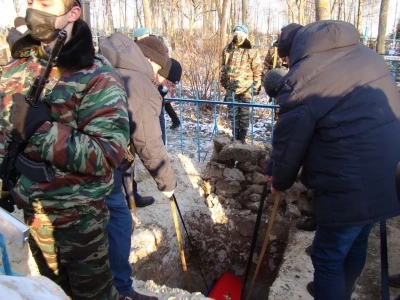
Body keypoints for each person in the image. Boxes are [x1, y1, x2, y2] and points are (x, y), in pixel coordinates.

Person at [0, 1, 130, 299]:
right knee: (52, 292)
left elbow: (107, 154)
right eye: (31, 2)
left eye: (46, 3)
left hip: (79, 218)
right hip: (32, 211)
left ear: (73, 12)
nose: (35, 10)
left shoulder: (97, 76)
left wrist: (42, 131)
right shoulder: (17, 66)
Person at [266, 21, 400, 300]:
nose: (286, 64)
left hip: (348, 183)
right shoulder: (366, 55)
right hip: (388, 170)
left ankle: (332, 291)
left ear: (296, 51)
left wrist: (278, 180)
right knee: (357, 240)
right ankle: (341, 290)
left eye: (285, 58)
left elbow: (290, 142)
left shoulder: (303, 78)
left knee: (327, 257)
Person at [99, 33, 179, 300]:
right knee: (119, 217)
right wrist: (168, 184)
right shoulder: (139, 82)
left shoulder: (107, 63)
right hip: (102, 165)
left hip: (83, 160)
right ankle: (121, 290)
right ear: (148, 59)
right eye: (158, 67)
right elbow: (149, 143)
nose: (158, 74)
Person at [220, 24, 262, 143]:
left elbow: (257, 70)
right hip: (231, 88)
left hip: (246, 89)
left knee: (244, 115)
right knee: (233, 114)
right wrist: (224, 81)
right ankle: (235, 136)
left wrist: (256, 86)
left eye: (240, 33)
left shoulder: (251, 50)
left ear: (245, 35)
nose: (237, 35)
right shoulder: (227, 49)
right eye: (235, 33)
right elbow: (223, 67)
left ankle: (242, 138)